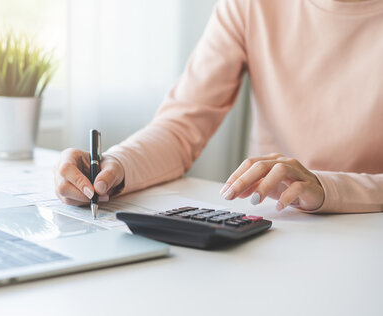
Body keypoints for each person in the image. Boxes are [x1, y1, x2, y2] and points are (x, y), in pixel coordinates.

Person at [54, 0, 383, 214]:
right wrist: (115, 166)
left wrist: (328, 189)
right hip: (276, 231)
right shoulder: (250, 6)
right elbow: (181, 127)